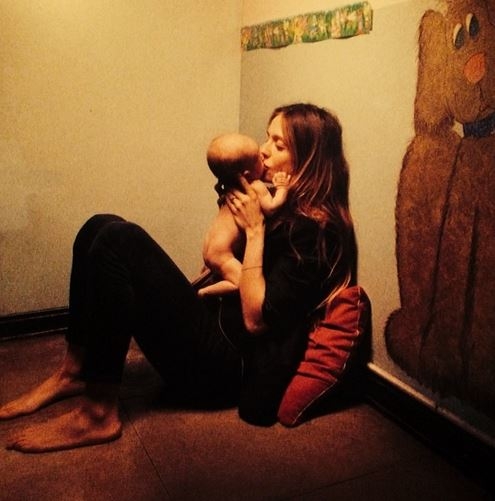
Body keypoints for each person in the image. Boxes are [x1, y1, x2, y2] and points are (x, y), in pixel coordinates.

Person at [0, 103, 357, 453]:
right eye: (267, 138)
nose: (263, 150)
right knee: (99, 226)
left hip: (224, 369)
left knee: (119, 240)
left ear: (307, 159)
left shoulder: (315, 233)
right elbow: (222, 257)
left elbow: (255, 320)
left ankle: (97, 414)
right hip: (213, 324)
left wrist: (255, 230)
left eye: (278, 145)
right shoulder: (279, 203)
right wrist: (232, 212)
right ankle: (75, 371)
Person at [199, 132, 290, 297]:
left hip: (210, 246)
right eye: (257, 157)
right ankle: (205, 292)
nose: (263, 152)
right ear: (247, 174)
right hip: (223, 253)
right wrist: (283, 188)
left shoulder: (228, 188)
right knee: (242, 282)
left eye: (278, 145)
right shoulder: (256, 186)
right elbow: (271, 207)